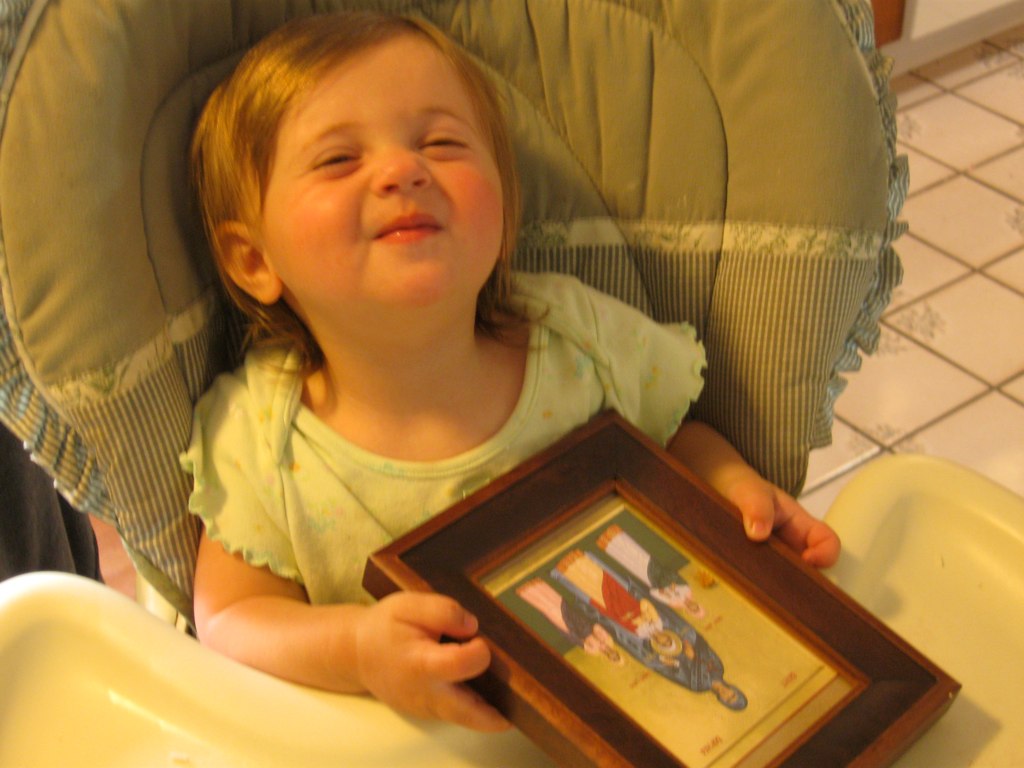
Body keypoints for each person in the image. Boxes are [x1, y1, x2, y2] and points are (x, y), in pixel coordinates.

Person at [183, 10, 840, 734]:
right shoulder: (263, 436)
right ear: (254, 260)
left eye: (442, 143)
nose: (405, 169)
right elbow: (227, 617)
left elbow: (678, 434)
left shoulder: (578, 341)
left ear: (504, 202)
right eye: (340, 160)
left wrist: (731, 489)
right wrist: (356, 651)